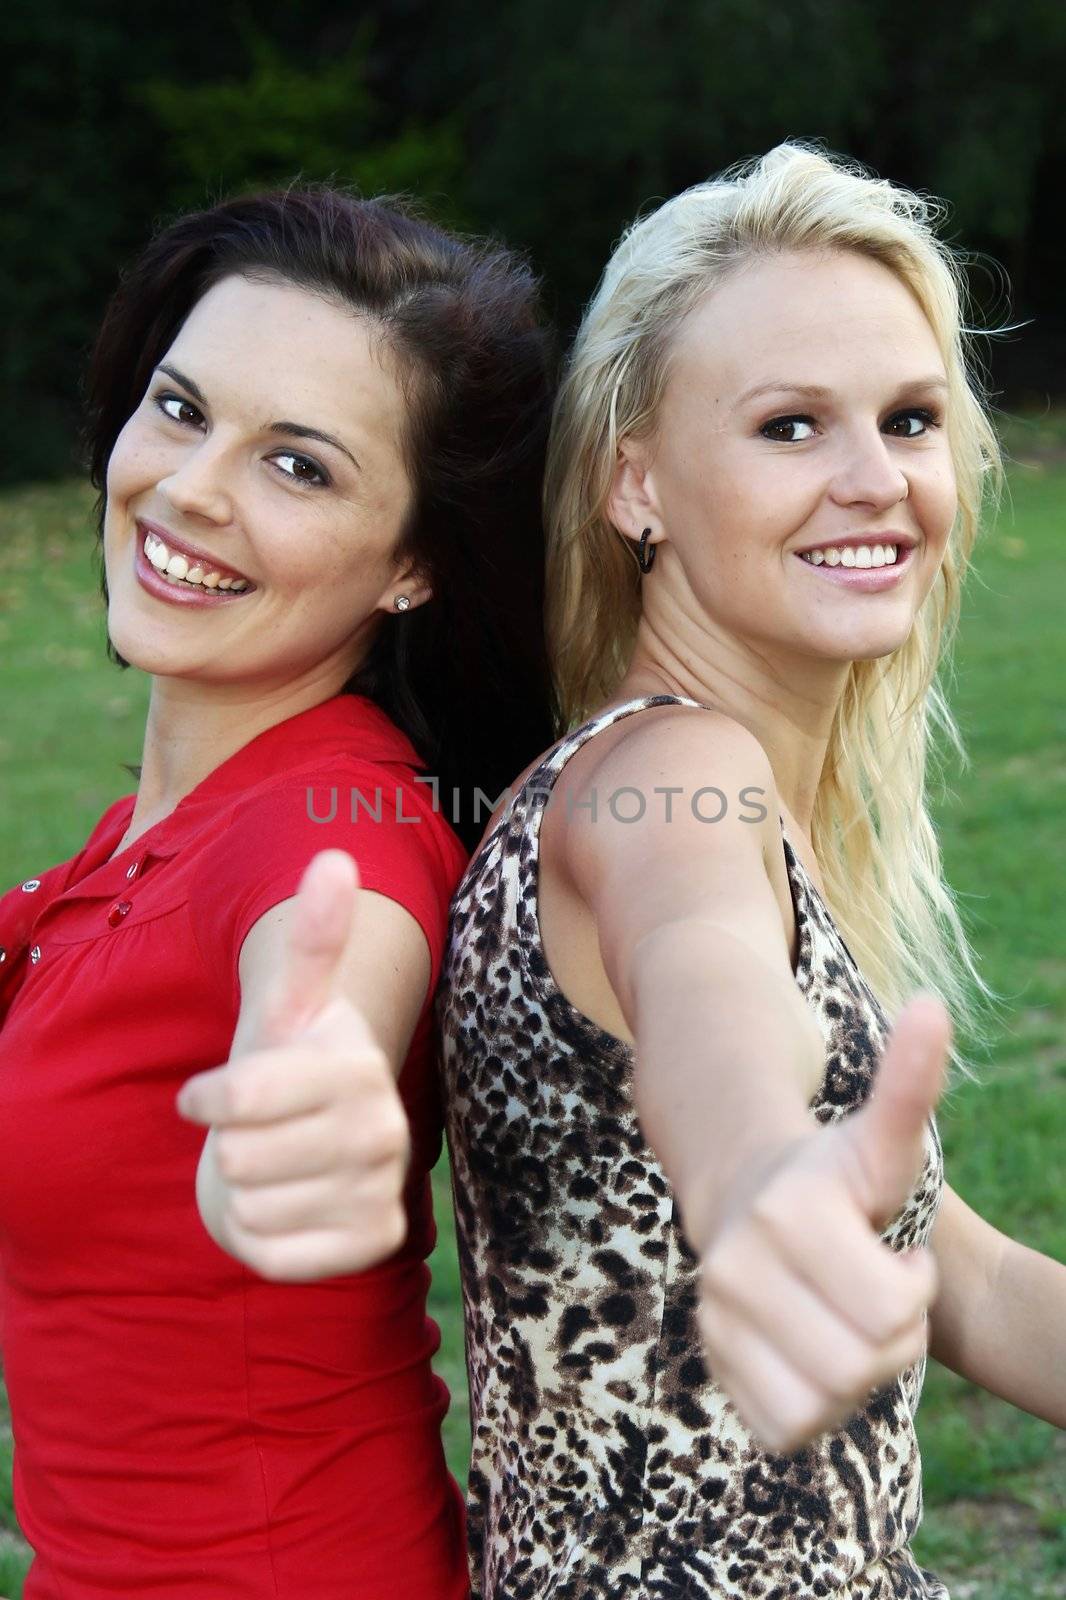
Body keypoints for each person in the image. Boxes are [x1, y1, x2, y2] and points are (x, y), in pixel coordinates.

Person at [438, 142, 1066, 1598]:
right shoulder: (675, 779)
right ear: (633, 482)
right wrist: (753, 1172)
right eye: (789, 427)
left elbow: (953, 1270)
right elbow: (706, 993)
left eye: (908, 420)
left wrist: (793, 1188)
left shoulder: (700, 779)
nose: (873, 481)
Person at [0, 186, 556, 1598]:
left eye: (297, 466)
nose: (190, 487)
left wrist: (322, 1090)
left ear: (416, 563)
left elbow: (330, 964)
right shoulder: (152, 828)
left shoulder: (331, 828)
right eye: (182, 409)